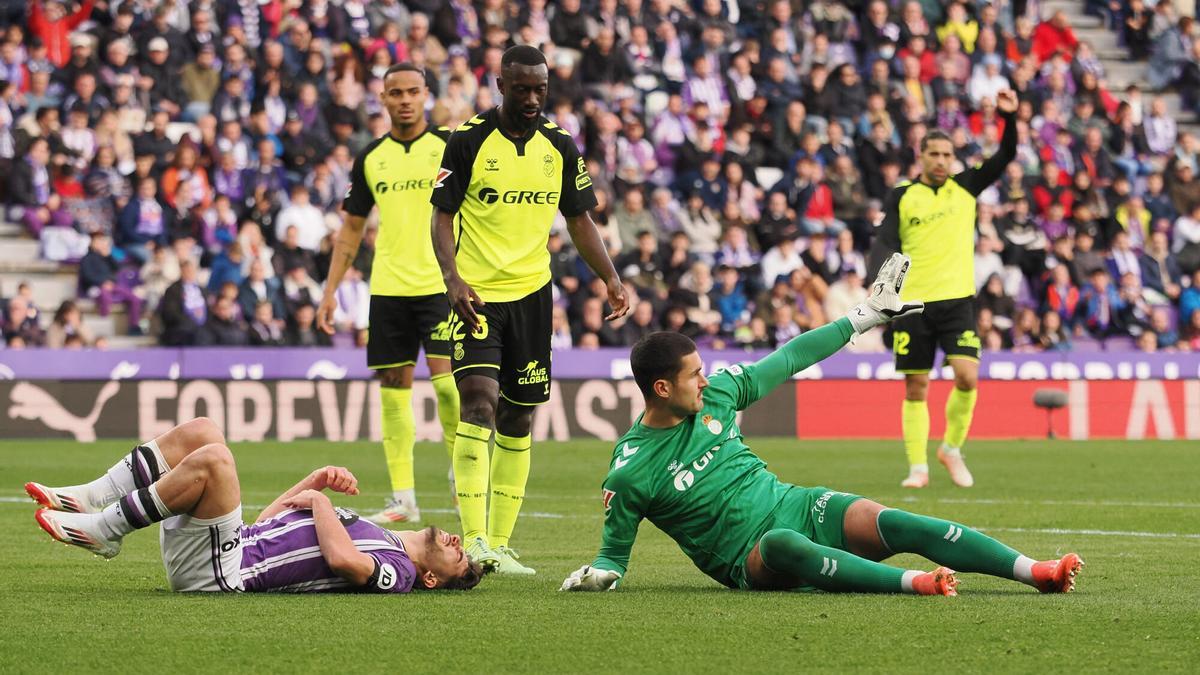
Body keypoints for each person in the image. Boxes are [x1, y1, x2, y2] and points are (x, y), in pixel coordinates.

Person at [561, 255, 1083, 596]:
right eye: (693, 375)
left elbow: (789, 358)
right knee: (788, 544)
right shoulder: (631, 470)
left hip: (795, 502)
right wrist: (594, 577)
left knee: (894, 521)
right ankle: (915, 583)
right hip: (752, 557)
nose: (706, 381)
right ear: (661, 389)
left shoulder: (718, 394)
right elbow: (612, 560)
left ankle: (1034, 570)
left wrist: (863, 317)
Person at [430, 45, 629, 575]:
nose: (532, 98)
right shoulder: (468, 139)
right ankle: (472, 540)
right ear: (501, 86)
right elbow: (441, 216)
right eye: (521, 89)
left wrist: (609, 277)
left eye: (540, 89)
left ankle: (500, 544)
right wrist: (453, 280)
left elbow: (579, 218)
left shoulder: (560, 144)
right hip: (477, 297)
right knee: (477, 403)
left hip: (533, 296)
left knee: (518, 415)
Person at [26, 418, 483, 593]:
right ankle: (94, 496)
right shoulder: (373, 529)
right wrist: (315, 481)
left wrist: (320, 502)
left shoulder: (399, 572)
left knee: (217, 460)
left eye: (458, 555)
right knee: (204, 432)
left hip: (224, 575)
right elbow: (269, 523)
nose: (456, 541)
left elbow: (343, 560)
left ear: (431, 577)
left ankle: (107, 530)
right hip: (233, 545)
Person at [317, 63, 460, 526]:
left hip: (441, 286)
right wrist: (330, 291)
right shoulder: (371, 157)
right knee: (394, 392)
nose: (404, 100)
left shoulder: (448, 149)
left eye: (413, 91)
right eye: (395, 92)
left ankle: (464, 482)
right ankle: (404, 498)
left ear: (426, 96)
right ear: (382, 99)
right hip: (390, 289)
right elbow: (352, 229)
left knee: (450, 389)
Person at [867, 89, 1019, 489]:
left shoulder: (965, 187)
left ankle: (951, 448)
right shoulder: (902, 195)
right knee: (916, 386)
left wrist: (1009, 118)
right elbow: (884, 241)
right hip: (912, 303)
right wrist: (880, 283)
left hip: (956, 300)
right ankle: (917, 467)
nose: (941, 161)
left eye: (947, 155)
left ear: (954, 158)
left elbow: (1004, 157)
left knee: (967, 377)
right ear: (921, 155)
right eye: (933, 154)